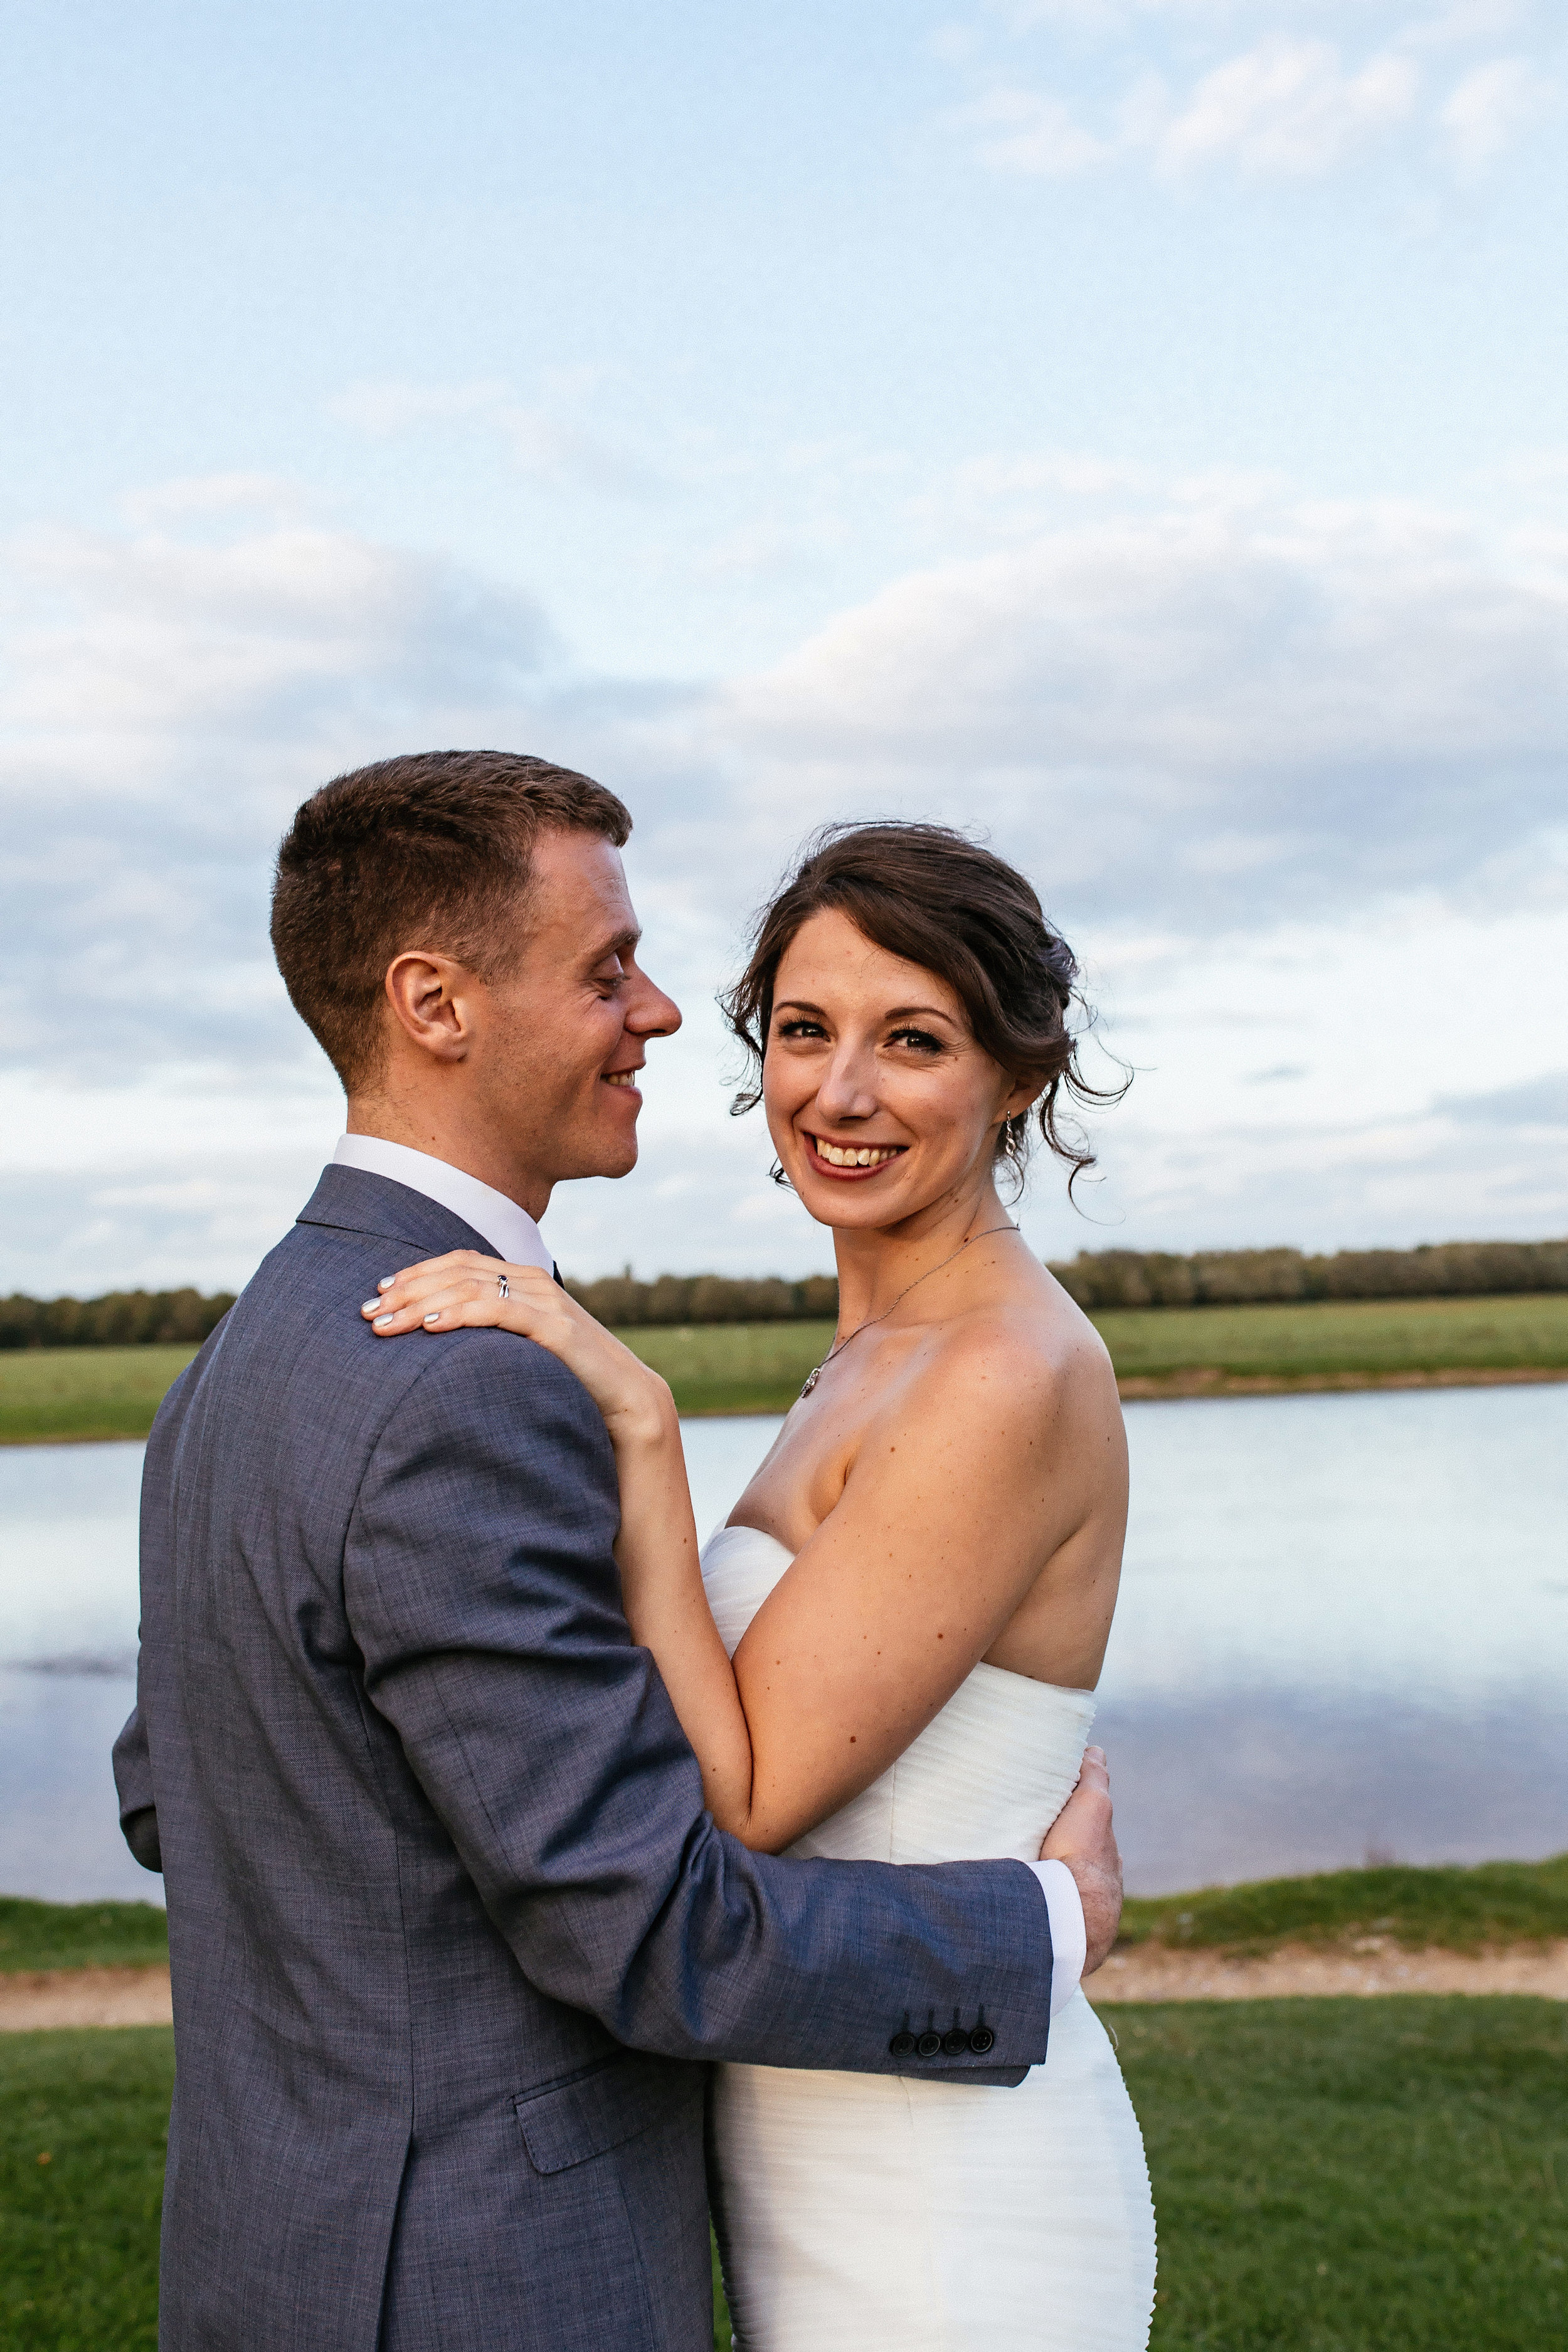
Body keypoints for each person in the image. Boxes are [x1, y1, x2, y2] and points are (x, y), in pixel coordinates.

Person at [112, 756, 1123, 2352]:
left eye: (910, 1037)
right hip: (475, 2267)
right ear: (435, 1004)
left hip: (297, 2240)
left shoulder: (242, 1361)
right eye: (605, 970)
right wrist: (1043, 1926)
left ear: (1012, 1073)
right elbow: (650, 1930)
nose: (658, 1013)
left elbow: (178, 1791)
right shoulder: (460, 1382)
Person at [368, 818, 1157, 2350]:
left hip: (941, 2191)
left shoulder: (1001, 1372)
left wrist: (638, 1428)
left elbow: (741, 1802)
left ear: (1019, 1076)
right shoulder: (875, 1358)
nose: (839, 1093)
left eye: (911, 1040)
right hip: (816, 2148)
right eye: (804, 1031)